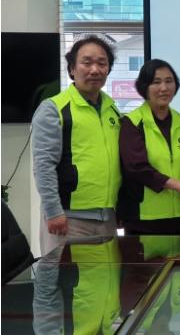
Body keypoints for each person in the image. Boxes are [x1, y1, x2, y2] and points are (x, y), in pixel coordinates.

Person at [32, 35, 121, 256]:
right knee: (63, 277)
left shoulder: (112, 110)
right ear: (72, 69)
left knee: (105, 275)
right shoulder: (54, 108)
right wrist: (53, 212)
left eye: (102, 63)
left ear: (108, 69)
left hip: (107, 218)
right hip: (67, 220)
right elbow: (43, 165)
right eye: (87, 62)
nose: (95, 70)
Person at [118, 59, 180, 235]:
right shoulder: (132, 122)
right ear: (144, 87)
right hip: (143, 218)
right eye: (156, 82)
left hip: (179, 216)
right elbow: (137, 168)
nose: (164, 88)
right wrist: (176, 185)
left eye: (169, 81)